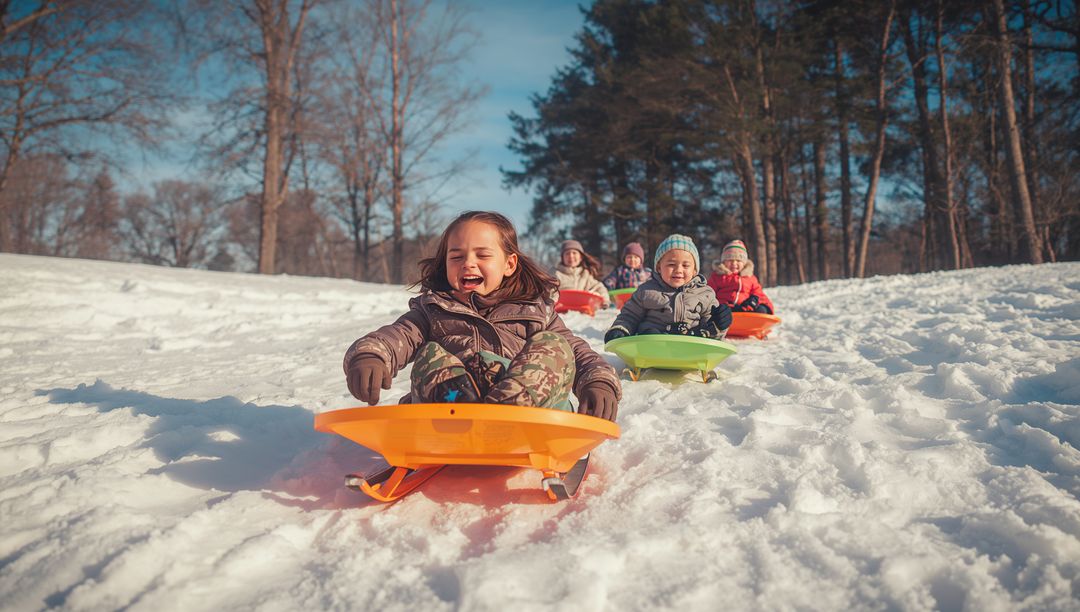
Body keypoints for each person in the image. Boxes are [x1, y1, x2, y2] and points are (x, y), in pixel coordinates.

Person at [343, 211, 620, 421]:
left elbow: (575, 352)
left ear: (509, 264)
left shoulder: (534, 311)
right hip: (453, 406)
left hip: (529, 409)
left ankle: (509, 409)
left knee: (554, 344)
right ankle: (460, 411)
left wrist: (598, 381)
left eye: (482, 255)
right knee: (429, 354)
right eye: (456, 256)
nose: (468, 263)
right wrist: (370, 356)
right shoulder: (433, 310)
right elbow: (397, 336)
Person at [604, 234, 731, 342]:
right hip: (652, 345)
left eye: (686, 265)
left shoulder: (705, 294)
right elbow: (629, 315)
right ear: (659, 267)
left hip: (691, 345)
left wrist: (719, 324)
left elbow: (712, 330)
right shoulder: (646, 291)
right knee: (649, 332)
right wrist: (620, 329)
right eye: (671, 264)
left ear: (694, 271)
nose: (678, 270)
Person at [707, 239, 775, 314]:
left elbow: (759, 294)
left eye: (738, 261)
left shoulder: (750, 278)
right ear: (723, 262)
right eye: (730, 260)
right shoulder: (717, 277)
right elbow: (708, 294)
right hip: (725, 310)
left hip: (745, 309)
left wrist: (760, 303)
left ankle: (758, 318)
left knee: (762, 309)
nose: (734, 263)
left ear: (744, 263)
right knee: (721, 311)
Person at [554, 239, 611, 308]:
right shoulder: (556, 274)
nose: (571, 256)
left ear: (581, 257)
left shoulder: (585, 274)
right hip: (561, 309)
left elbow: (599, 287)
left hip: (582, 309)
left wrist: (605, 300)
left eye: (574, 253)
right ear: (562, 258)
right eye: (567, 253)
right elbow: (548, 291)